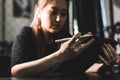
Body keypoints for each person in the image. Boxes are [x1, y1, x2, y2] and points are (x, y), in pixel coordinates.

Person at [11, 0, 118, 77]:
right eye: (53, 12)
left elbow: (78, 70)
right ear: (39, 12)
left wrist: (103, 67)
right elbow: (16, 71)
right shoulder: (26, 34)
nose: (58, 19)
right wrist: (60, 56)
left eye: (63, 14)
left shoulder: (64, 36)